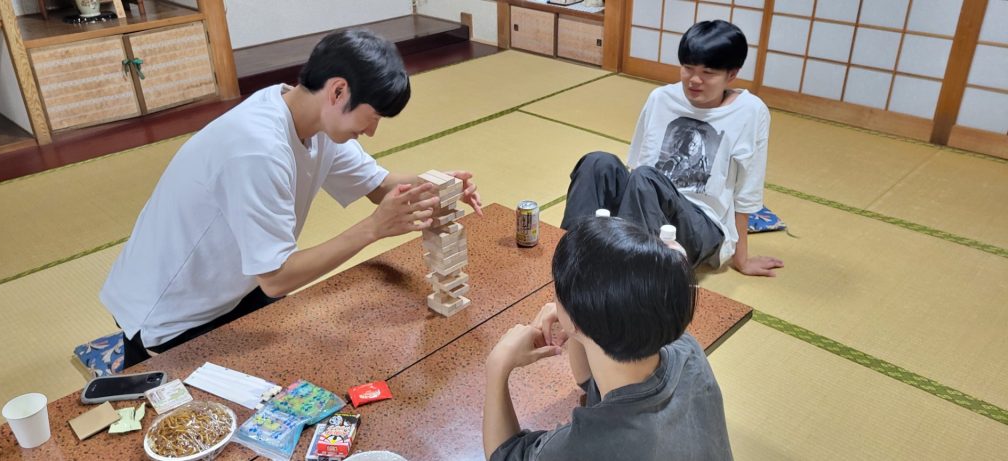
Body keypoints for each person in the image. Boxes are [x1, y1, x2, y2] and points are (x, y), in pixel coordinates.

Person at [102, 29, 483, 368]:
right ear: (338, 91)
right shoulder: (258, 149)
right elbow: (276, 278)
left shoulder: (310, 118)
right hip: (170, 314)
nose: (371, 131)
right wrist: (373, 229)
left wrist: (435, 184)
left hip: (237, 287)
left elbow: (377, 185)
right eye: (371, 117)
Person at [483, 216, 732, 460]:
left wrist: (498, 365)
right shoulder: (687, 349)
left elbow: (505, 455)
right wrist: (578, 323)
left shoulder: (588, 444)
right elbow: (589, 381)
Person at [561, 20, 783, 276]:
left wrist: (741, 260)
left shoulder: (749, 111)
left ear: (731, 75)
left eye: (708, 73)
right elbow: (637, 167)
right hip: (647, 207)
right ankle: (570, 257)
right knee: (598, 162)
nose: (694, 80)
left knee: (646, 178)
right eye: (687, 68)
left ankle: (627, 274)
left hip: (703, 226)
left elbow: (746, 193)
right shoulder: (661, 98)